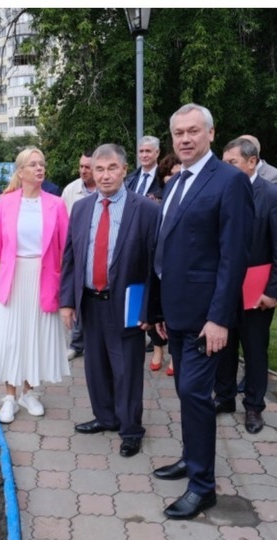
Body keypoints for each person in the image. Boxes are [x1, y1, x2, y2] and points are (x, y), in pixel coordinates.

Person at [149, 103, 253, 520]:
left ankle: (203, 487)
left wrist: (220, 318)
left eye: (194, 131)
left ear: (211, 133)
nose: (186, 138)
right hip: (175, 313)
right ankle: (191, 459)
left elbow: (234, 257)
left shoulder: (229, 181)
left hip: (206, 317)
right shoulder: (175, 182)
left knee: (194, 393)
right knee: (185, 393)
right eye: (179, 133)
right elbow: (165, 250)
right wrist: (157, 309)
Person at [60, 144, 159, 458]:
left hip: (127, 305)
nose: (104, 175)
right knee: (95, 366)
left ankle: (131, 429)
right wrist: (67, 301)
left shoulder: (145, 210)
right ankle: (105, 417)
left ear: (125, 169)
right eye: (98, 169)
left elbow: (156, 265)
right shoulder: (81, 208)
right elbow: (71, 258)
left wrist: (151, 309)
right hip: (89, 301)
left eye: (111, 168)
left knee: (126, 369)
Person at [0, 147, 70, 423]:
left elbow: (66, 248)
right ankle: (9, 396)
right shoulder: (6, 203)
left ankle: (28, 392)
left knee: (34, 335)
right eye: (33, 164)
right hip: (13, 277)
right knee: (12, 336)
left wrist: (66, 287)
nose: (39, 168)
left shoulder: (56, 204)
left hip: (43, 278)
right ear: (20, 172)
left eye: (42, 164)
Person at [215, 137, 277, 434]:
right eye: (224, 164)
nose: (226, 169)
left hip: (257, 292)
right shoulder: (222, 193)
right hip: (225, 288)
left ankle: (253, 407)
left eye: (232, 163)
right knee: (222, 347)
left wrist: (273, 292)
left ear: (252, 162)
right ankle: (223, 399)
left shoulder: (273, 196)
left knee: (254, 349)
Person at [60, 150, 96, 360]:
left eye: (87, 167)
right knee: (78, 298)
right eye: (81, 166)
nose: (83, 170)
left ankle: (95, 342)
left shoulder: (105, 187)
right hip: (77, 252)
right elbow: (64, 224)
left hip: (101, 252)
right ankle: (76, 343)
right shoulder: (71, 190)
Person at [148, 152, 181, 374]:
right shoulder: (155, 199)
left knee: (174, 313)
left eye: (177, 174)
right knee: (155, 309)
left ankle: (175, 358)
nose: (172, 178)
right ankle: (158, 350)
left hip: (177, 267)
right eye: (168, 174)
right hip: (157, 265)